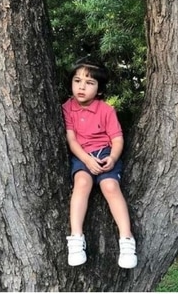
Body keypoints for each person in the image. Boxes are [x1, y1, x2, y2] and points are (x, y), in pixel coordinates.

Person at [62, 58, 137, 269]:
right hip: (82, 155)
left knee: (110, 186)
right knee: (82, 183)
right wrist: (86, 159)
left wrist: (112, 158)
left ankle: (127, 239)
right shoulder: (67, 108)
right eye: (77, 81)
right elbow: (71, 139)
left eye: (89, 83)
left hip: (104, 153)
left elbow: (117, 139)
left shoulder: (106, 110)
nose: (82, 87)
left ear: (100, 88)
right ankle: (76, 239)